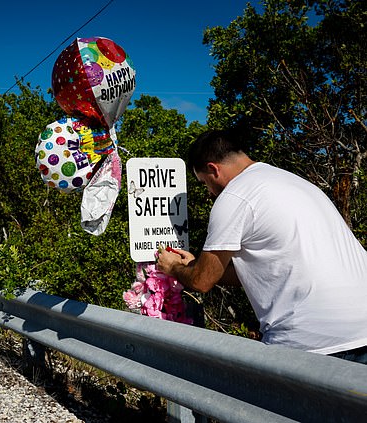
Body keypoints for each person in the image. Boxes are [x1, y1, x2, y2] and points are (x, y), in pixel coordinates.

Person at [156, 129, 367, 364]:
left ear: (213, 169)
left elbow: (201, 282)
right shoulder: (291, 181)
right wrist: (196, 265)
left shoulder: (235, 196)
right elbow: (263, 270)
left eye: (205, 182)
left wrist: (174, 268)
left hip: (316, 342)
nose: (209, 192)